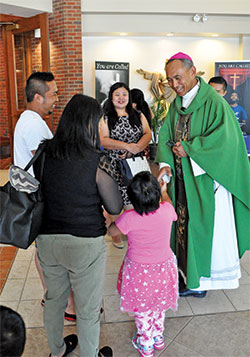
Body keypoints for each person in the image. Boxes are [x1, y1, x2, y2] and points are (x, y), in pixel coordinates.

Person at [33, 94, 123, 357]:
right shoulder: (96, 159)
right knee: (87, 307)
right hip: (86, 243)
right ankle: (90, 354)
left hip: (48, 240)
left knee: (54, 301)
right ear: (91, 123)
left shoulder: (44, 151)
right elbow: (115, 207)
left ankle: (57, 351)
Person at [156, 52, 250, 298]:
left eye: (178, 78)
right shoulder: (177, 104)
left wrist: (190, 148)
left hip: (206, 182)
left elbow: (227, 143)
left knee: (204, 230)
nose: (174, 85)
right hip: (181, 181)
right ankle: (188, 276)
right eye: (170, 80)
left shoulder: (214, 102)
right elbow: (166, 135)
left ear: (192, 71)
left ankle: (201, 283)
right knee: (182, 228)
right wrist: (166, 163)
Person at [13, 71, 76, 321]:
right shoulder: (31, 123)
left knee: (47, 251)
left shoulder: (33, 119)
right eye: (54, 94)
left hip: (39, 196)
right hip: (39, 197)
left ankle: (56, 296)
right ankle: (63, 303)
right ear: (38, 97)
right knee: (48, 253)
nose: (56, 99)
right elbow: (46, 165)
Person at [108, 171, 178, 357]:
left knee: (142, 308)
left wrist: (110, 219)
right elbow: (167, 203)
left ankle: (146, 343)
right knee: (159, 304)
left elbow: (112, 232)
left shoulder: (129, 217)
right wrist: (162, 190)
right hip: (164, 267)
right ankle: (158, 337)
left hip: (139, 271)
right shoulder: (167, 210)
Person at [99, 82, 152, 249]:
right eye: (117, 94)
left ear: (128, 97)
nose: (121, 98)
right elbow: (104, 141)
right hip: (114, 167)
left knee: (135, 201)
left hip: (136, 166)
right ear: (111, 97)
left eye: (124, 94)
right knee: (115, 203)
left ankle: (136, 235)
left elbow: (147, 134)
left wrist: (136, 148)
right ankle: (115, 234)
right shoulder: (106, 117)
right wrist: (127, 146)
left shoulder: (138, 115)